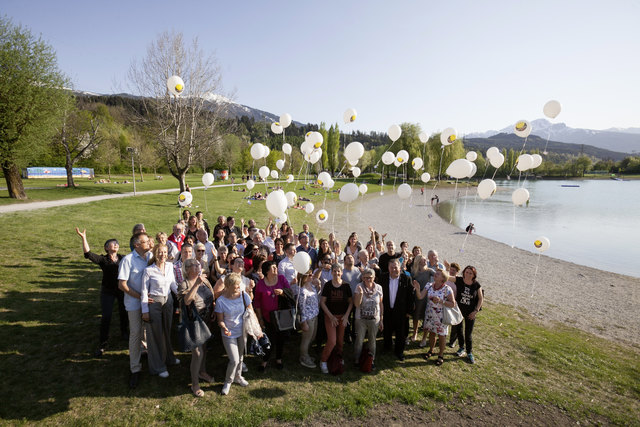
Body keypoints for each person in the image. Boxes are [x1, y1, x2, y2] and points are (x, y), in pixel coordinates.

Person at [75, 227, 126, 357]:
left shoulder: (123, 258)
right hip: (107, 291)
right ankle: (103, 343)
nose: (116, 244)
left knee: (124, 312)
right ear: (106, 248)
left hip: (121, 290)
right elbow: (88, 254)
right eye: (112, 243)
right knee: (106, 316)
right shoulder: (103, 260)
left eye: (117, 243)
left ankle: (125, 334)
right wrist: (84, 238)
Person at [118, 232, 153, 388]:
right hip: (135, 304)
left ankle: (149, 357)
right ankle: (135, 368)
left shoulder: (150, 257)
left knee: (149, 331)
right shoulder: (128, 260)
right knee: (136, 333)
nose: (149, 243)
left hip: (150, 303)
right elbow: (122, 285)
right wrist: (140, 297)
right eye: (146, 242)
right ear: (137, 245)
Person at [141, 244, 180, 378]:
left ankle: (169, 358)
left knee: (167, 331)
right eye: (160, 252)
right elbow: (144, 291)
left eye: (165, 252)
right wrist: (145, 310)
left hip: (168, 301)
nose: (163, 255)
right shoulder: (148, 270)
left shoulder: (170, 266)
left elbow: (173, 284)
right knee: (155, 335)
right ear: (155, 253)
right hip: (154, 303)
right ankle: (157, 366)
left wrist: (181, 294)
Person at [178, 258, 215, 397]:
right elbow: (186, 301)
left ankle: (202, 371)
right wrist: (195, 285)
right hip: (193, 322)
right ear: (187, 269)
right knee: (197, 353)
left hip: (206, 319)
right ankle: (195, 384)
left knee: (204, 348)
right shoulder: (184, 284)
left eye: (198, 265)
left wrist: (213, 312)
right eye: (194, 265)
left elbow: (212, 296)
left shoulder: (205, 280)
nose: (198, 267)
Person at [253, 261, 293, 371]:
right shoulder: (260, 284)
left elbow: (290, 293)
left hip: (281, 316)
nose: (276, 269)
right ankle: (265, 360)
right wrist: (260, 318)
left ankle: (278, 359)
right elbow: (257, 302)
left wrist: (282, 292)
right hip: (267, 317)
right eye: (273, 268)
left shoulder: (281, 279)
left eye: (276, 267)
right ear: (267, 271)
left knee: (280, 338)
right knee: (269, 339)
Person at [215, 273, 251, 395]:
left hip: (242, 330)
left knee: (240, 357)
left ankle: (238, 376)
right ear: (228, 286)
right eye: (236, 286)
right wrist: (224, 327)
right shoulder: (221, 301)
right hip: (229, 333)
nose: (238, 287)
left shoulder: (243, 295)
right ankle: (228, 381)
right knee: (234, 359)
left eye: (239, 285)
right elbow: (220, 320)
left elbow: (250, 310)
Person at [414, 269, 455, 366]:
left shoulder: (447, 289)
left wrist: (441, 301)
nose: (435, 275)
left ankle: (440, 355)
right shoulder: (429, 285)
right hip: (430, 315)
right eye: (435, 273)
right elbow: (420, 296)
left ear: (443, 278)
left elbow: (453, 304)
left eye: (438, 274)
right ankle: (431, 350)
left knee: (441, 336)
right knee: (431, 333)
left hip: (441, 316)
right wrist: (417, 289)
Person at [318, 263, 353, 374]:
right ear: (331, 272)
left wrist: (347, 315)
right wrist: (331, 316)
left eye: (339, 271)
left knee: (340, 341)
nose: (337, 273)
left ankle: (339, 358)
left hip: (343, 317)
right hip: (330, 317)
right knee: (332, 341)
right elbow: (322, 302)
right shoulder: (328, 285)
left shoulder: (346, 286)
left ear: (342, 273)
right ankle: (323, 361)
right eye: (334, 271)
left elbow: (351, 302)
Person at [379, 258, 415, 361]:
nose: (394, 270)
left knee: (401, 333)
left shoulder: (406, 279)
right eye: (391, 267)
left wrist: (409, 312)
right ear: (388, 268)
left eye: (396, 267)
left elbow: (410, 296)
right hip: (387, 310)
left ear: (400, 268)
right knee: (387, 331)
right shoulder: (383, 277)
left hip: (401, 312)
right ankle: (387, 347)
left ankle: (399, 351)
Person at [353, 268, 383, 370]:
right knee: (359, 340)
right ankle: (357, 360)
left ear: (374, 278)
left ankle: (371, 360)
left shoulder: (379, 288)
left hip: (374, 319)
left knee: (372, 340)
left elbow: (380, 303)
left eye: (370, 278)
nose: (368, 280)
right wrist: (360, 294)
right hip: (361, 319)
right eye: (365, 278)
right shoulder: (359, 287)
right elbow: (356, 304)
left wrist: (381, 319)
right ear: (362, 278)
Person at [453, 266, 483, 364]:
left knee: (468, 333)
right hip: (459, 311)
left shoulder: (476, 285)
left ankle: (469, 352)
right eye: (467, 272)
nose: (468, 274)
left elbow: (480, 299)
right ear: (464, 272)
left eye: (471, 273)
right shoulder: (459, 280)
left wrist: (476, 311)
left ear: (474, 275)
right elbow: (447, 277)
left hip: (470, 313)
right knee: (459, 330)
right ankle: (461, 348)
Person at [292, 271, 320, 368]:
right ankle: (303, 357)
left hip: (315, 316)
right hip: (308, 318)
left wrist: (318, 288)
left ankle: (306, 354)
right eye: (310, 275)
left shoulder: (311, 286)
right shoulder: (302, 291)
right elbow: (301, 307)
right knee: (306, 339)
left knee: (312, 337)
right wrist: (303, 322)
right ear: (305, 277)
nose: (312, 276)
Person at [410, 254, 435, 345]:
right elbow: (411, 283)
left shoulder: (429, 271)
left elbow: (438, 276)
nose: (426, 261)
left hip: (427, 296)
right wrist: (414, 286)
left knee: (426, 317)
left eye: (425, 260)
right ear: (419, 261)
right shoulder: (414, 272)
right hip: (417, 296)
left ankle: (424, 337)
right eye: (423, 259)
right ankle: (415, 332)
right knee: (416, 315)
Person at [341, 254, 361, 343]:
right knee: (347, 317)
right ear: (345, 261)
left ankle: (355, 333)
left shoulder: (358, 271)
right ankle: (347, 334)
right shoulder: (342, 272)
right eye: (348, 258)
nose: (350, 259)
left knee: (356, 318)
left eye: (351, 258)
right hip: (347, 300)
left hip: (357, 299)